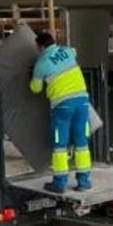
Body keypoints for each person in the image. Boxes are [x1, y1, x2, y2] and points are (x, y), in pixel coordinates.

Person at [31, 31, 92, 192]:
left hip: (63, 105)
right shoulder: (67, 51)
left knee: (60, 145)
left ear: (41, 46)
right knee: (81, 143)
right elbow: (74, 51)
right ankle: (84, 181)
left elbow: (36, 89)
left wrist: (34, 76)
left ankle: (59, 183)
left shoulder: (41, 63)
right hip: (82, 102)